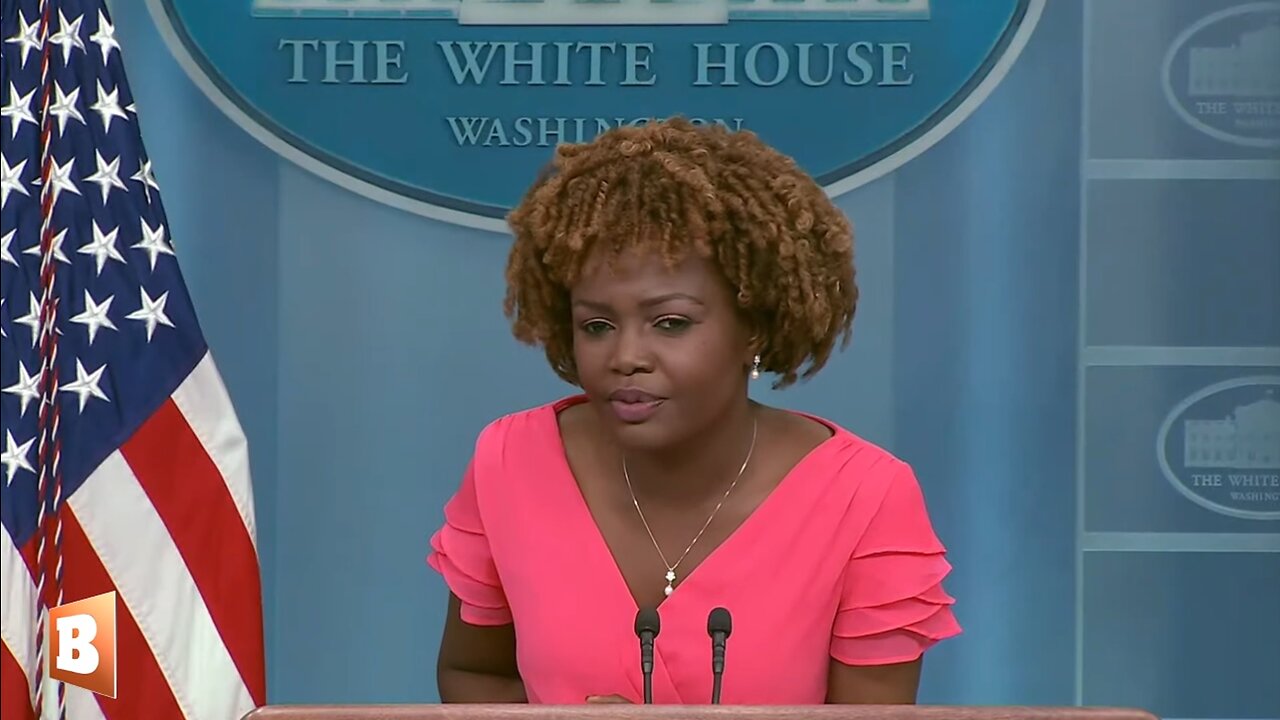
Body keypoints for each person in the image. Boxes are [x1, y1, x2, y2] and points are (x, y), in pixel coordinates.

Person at [425, 117, 960, 704]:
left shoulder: (865, 499)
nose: (626, 357)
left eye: (671, 323)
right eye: (597, 326)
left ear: (753, 325)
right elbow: (479, 675)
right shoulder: (510, 462)